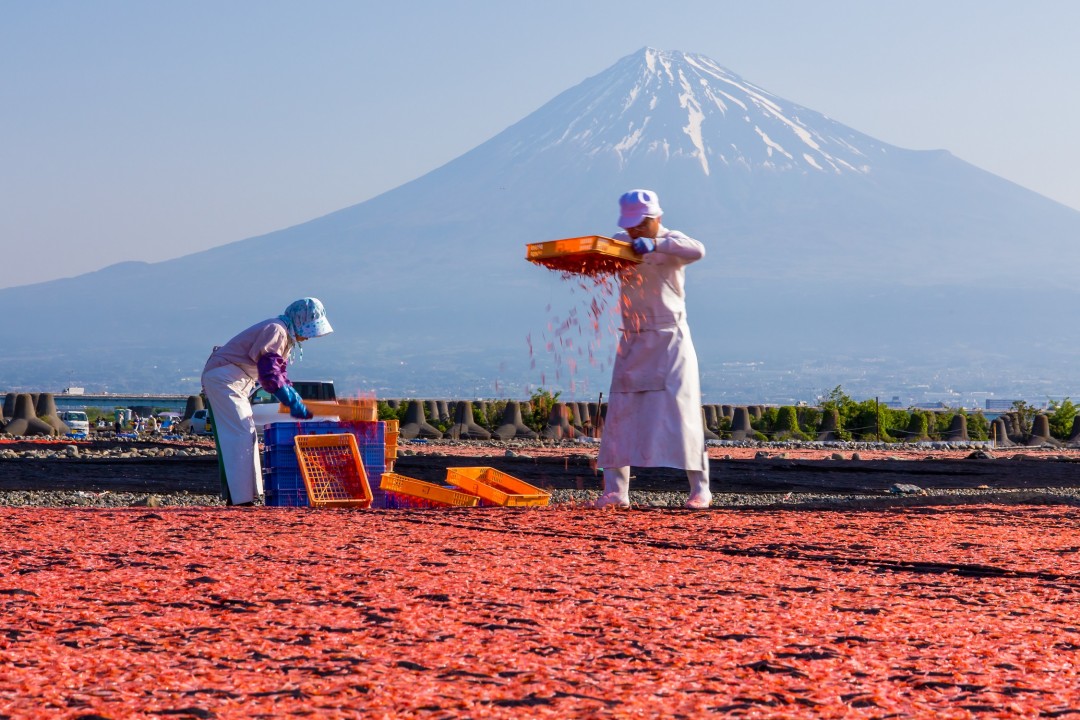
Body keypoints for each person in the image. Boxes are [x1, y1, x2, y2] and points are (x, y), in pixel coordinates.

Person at [595, 189, 712, 509]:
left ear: (655, 219)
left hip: (670, 338)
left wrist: (657, 244)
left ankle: (700, 489)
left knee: (682, 412)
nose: (634, 231)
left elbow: (697, 250)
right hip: (633, 337)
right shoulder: (620, 242)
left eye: (640, 225)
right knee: (620, 413)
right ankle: (615, 491)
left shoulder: (672, 241)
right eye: (630, 225)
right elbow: (599, 256)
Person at [201, 297, 333, 506]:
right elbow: (269, 372)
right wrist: (288, 399)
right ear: (299, 321)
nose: (308, 338)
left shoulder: (284, 334)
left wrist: (292, 394)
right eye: (308, 331)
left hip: (235, 381)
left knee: (247, 434)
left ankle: (246, 496)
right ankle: (240, 500)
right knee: (240, 435)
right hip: (225, 379)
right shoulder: (276, 330)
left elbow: (279, 371)